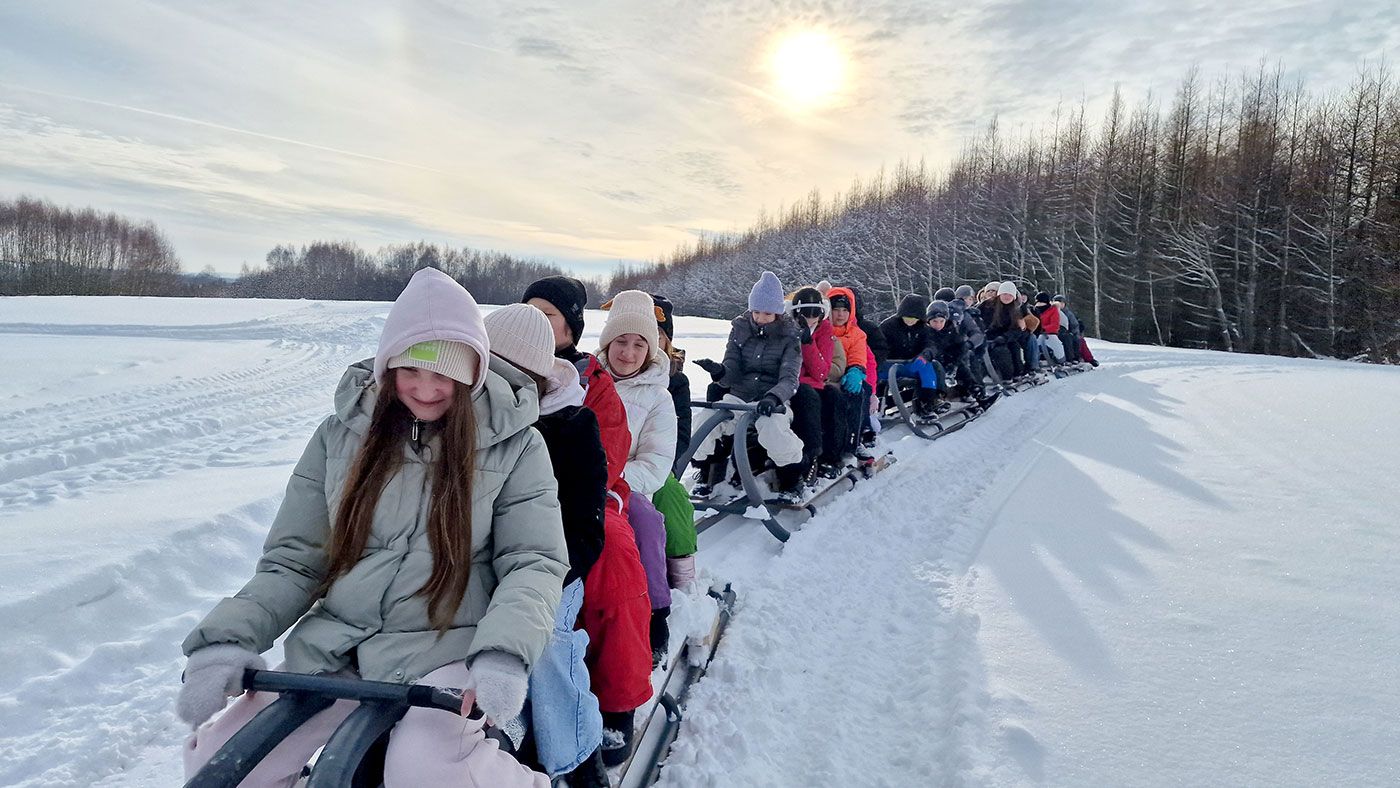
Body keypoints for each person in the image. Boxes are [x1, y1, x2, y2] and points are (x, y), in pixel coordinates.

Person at [177, 267, 562, 787]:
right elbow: (296, 559)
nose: (426, 389)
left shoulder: (515, 446)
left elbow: (532, 561)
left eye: (445, 374)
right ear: (387, 365)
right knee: (222, 763)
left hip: (448, 644)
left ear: (474, 371)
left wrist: (503, 652)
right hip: (339, 647)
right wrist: (226, 639)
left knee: (425, 770)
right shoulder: (340, 437)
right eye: (411, 370)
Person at [521, 276, 653, 768]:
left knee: (613, 558)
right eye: (528, 313)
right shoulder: (501, 367)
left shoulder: (592, 383)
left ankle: (618, 699)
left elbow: (607, 459)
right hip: (509, 498)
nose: (535, 324)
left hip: (582, 497)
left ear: (571, 328)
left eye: (547, 316)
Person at [483, 304, 608, 784]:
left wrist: (541, 578)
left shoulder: (572, 427)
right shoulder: (461, 419)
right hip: (480, 567)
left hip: (554, 568)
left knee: (548, 642)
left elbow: (585, 527)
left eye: (511, 374)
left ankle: (576, 754)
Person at [596, 291, 677, 671]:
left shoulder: (659, 398)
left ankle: (656, 610)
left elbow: (656, 463)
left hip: (627, 486)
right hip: (577, 480)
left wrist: (610, 478)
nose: (628, 353)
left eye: (638, 344)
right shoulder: (583, 381)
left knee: (644, 520)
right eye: (621, 342)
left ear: (650, 349)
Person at [692, 271, 806, 502]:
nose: (760, 318)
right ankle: (708, 471)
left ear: (777, 313)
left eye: (767, 313)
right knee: (706, 422)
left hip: (771, 400)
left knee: (773, 428)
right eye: (756, 312)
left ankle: (792, 479)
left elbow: (789, 377)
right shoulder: (740, 329)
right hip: (739, 396)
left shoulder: (789, 336)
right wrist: (719, 372)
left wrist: (773, 398)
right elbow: (732, 368)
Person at [649, 294, 698, 591]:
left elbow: (681, 436)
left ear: (666, 339)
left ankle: (682, 572)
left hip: (659, 460)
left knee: (669, 495)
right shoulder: (612, 372)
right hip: (618, 460)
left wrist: (657, 462)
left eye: (656, 334)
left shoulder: (676, 381)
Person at [788, 286, 837, 479]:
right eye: (804, 314)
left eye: (814, 314)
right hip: (787, 381)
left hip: (811, 385)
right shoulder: (786, 327)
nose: (810, 319)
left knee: (809, 398)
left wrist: (807, 343)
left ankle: (812, 456)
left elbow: (821, 372)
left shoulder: (824, 330)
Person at [827, 286, 875, 460]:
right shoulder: (823, 330)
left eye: (845, 310)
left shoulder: (857, 334)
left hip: (847, 375)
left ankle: (854, 439)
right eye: (836, 310)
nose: (840, 315)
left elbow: (858, 356)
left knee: (858, 392)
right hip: (827, 376)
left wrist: (855, 370)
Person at [879, 293, 942, 417]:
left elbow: (930, 345)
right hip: (888, 365)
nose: (910, 321)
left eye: (914, 318)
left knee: (928, 368)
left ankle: (927, 402)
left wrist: (925, 355)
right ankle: (879, 404)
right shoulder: (887, 326)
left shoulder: (923, 329)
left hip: (911, 363)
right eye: (907, 317)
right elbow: (879, 345)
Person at [982, 281, 1026, 383]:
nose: (1007, 297)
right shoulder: (987, 305)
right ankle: (1001, 376)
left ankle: (1015, 374)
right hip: (987, 337)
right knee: (995, 351)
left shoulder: (1015, 310)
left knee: (1012, 347)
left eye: (1010, 295)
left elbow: (1017, 330)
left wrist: (1005, 338)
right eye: (1005, 294)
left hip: (1004, 338)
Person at [1031, 291, 1066, 364]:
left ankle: (1060, 359)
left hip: (1049, 334)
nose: (1040, 304)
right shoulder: (1034, 310)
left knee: (1054, 342)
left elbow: (1055, 324)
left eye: (1042, 302)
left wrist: (1043, 329)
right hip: (1036, 333)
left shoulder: (1053, 310)